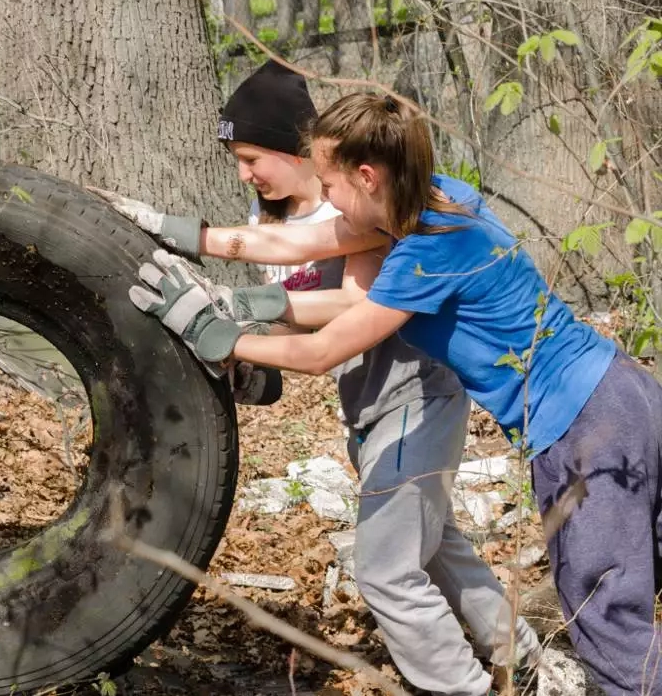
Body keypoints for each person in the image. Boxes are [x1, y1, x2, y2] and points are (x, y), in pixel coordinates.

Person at [130, 90, 662, 696]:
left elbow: (321, 351)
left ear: (366, 175)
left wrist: (215, 332)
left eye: (328, 185)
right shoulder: (442, 196)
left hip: (585, 427)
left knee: (607, 623)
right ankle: (522, 661)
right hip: (623, 393)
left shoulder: (426, 255)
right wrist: (174, 231)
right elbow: (296, 245)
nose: (323, 201)